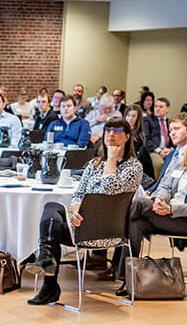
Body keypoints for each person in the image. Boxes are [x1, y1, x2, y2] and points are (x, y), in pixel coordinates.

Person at [22, 117, 142, 305]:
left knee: (51, 229)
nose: (111, 134)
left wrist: (111, 159)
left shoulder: (133, 167)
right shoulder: (94, 164)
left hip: (109, 230)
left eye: (117, 131)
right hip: (83, 226)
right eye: (108, 130)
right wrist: (75, 213)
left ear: (127, 137)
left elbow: (108, 191)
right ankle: (46, 261)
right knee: (52, 208)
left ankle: (49, 285)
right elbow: (78, 195)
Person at [126, 126, 187, 296]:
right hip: (166, 213)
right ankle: (127, 279)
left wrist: (170, 209)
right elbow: (165, 187)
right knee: (136, 223)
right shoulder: (182, 164)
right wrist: (160, 200)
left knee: (138, 204)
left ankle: (115, 242)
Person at [124, 103, 155, 181]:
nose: (130, 118)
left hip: (135, 165)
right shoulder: (120, 131)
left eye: (133, 116)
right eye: (128, 115)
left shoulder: (139, 136)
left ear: (138, 118)